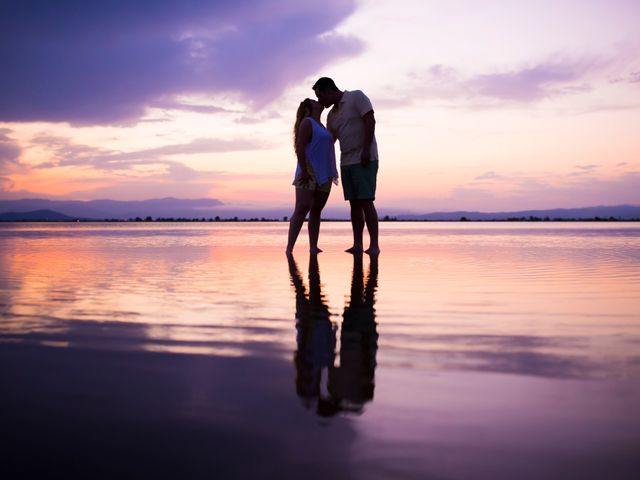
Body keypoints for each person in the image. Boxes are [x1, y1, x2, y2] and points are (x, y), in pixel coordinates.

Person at [313, 77, 380, 254]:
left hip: (365, 158)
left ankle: (374, 245)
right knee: (354, 204)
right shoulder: (331, 116)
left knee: (366, 201)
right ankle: (357, 244)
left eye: (320, 95)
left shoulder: (356, 97)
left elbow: (370, 121)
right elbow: (329, 141)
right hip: (346, 162)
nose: (320, 100)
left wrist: (366, 149)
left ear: (328, 90)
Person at [286, 98, 338, 254]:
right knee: (302, 208)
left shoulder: (322, 126)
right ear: (309, 107)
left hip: (325, 171)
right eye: (314, 101)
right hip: (309, 168)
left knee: (316, 210)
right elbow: (300, 146)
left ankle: (313, 247)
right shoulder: (307, 122)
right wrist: (304, 170)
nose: (318, 101)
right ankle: (289, 248)